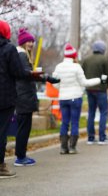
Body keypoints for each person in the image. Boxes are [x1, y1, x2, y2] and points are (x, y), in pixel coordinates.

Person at [0, 20, 43, 178]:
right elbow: (18, 73)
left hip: (12, 96)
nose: (31, 43)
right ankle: (3, 165)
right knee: (3, 132)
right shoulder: (9, 49)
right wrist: (33, 74)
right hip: (7, 97)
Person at [14, 28, 59, 166]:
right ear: (22, 43)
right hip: (23, 97)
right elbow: (26, 74)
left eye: (32, 41)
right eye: (28, 41)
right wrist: (45, 77)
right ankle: (20, 157)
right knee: (24, 128)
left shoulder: (22, 55)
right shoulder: (21, 56)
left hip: (23, 96)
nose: (31, 44)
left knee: (23, 127)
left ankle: (21, 155)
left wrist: (43, 76)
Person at [53, 43, 105, 154]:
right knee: (74, 122)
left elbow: (54, 82)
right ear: (73, 56)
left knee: (64, 122)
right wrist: (99, 80)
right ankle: (72, 147)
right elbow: (84, 83)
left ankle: (63, 148)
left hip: (63, 98)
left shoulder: (58, 67)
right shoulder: (76, 67)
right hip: (75, 98)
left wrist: (61, 88)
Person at [82, 40, 108, 145]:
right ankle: (102, 138)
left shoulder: (86, 60)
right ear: (103, 49)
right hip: (101, 90)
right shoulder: (105, 59)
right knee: (103, 112)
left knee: (91, 113)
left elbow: (83, 74)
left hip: (89, 89)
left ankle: (90, 138)